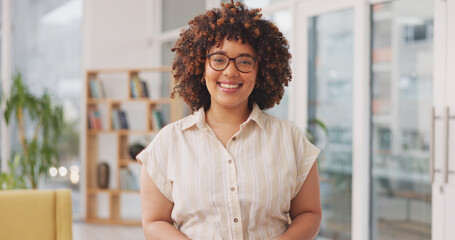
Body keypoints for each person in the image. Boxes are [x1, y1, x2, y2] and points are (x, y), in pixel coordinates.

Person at [137, 1, 321, 239]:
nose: (230, 72)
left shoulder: (289, 139)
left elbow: (309, 213)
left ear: (260, 71)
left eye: (244, 61)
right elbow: (154, 221)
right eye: (219, 59)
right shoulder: (169, 142)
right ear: (201, 67)